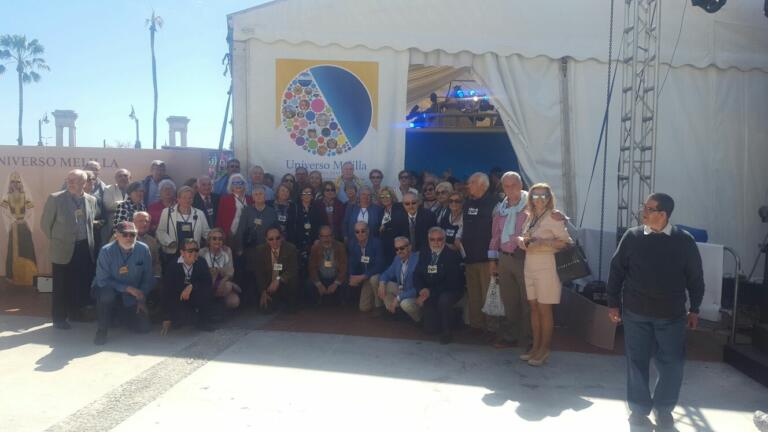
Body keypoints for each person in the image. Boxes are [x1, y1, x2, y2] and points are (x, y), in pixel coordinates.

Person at [607, 192, 704, 429]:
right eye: (645, 207)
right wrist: (612, 303)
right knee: (637, 363)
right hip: (635, 313)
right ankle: (639, 409)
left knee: (672, 364)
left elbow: (695, 277)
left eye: (649, 208)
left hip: (671, 316)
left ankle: (664, 408)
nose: (644, 212)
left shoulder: (684, 241)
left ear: (663, 214)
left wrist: (695, 308)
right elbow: (616, 270)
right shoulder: (632, 237)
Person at [516, 183, 572, 366]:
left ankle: (544, 349)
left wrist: (543, 242)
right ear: (530, 197)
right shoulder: (530, 216)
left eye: (543, 196)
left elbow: (566, 243)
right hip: (529, 263)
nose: (539, 199)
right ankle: (535, 347)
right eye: (535, 195)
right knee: (533, 307)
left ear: (549, 198)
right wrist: (521, 241)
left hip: (547, 265)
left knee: (544, 309)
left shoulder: (554, 217)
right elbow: (527, 236)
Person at [40, 169, 98, 329]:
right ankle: (59, 318)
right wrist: (60, 240)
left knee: (79, 283)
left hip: (84, 248)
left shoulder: (91, 200)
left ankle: (75, 313)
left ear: (84, 183)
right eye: (69, 179)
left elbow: (89, 223)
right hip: (62, 249)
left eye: (75, 180)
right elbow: (45, 225)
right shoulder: (55, 198)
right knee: (61, 285)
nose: (70, 182)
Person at [92, 221, 153, 345]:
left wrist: (141, 299)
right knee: (107, 296)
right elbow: (102, 280)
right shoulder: (106, 251)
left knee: (143, 328)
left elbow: (147, 278)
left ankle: (118, 316)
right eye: (125, 234)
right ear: (116, 235)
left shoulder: (143, 249)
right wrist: (127, 288)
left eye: (132, 234)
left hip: (132, 294)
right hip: (108, 289)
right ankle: (101, 331)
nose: (129, 238)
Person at [488, 172, 530, 349]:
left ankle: (529, 339)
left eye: (513, 185)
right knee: (509, 300)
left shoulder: (532, 204)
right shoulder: (500, 208)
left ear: (521, 185)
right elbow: (495, 235)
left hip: (526, 259)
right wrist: (492, 260)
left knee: (528, 301)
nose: (510, 189)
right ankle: (510, 336)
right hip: (505, 258)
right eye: (506, 186)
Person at [462, 172, 499, 334]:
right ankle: (476, 326)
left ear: (481, 185)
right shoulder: (468, 202)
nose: (467, 185)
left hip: (487, 260)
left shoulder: (495, 204)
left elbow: (497, 233)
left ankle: (492, 329)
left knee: (488, 295)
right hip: (470, 258)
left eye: (470, 182)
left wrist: (494, 258)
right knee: (474, 295)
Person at [414, 227, 464, 344]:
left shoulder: (452, 256)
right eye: (432, 240)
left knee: (444, 300)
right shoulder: (424, 253)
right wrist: (421, 289)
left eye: (439, 239)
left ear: (444, 239)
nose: (436, 243)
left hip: (450, 290)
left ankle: (447, 332)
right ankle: (454, 319)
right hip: (430, 290)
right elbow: (417, 274)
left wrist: (429, 293)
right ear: (428, 240)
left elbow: (451, 282)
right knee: (430, 330)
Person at [161, 239, 215, 334]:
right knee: (180, 321)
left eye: (196, 250)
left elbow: (207, 282)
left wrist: (191, 286)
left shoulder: (201, 262)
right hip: (178, 297)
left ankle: (203, 321)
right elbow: (166, 290)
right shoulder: (173, 265)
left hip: (195, 295)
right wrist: (166, 317)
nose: (194, 253)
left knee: (206, 291)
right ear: (182, 252)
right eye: (190, 251)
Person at [156, 186, 210, 268]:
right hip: (173, 253)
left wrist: (215, 240)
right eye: (184, 197)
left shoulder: (199, 214)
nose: (187, 200)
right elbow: (160, 231)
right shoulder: (167, 212)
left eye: (190, 198)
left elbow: (206, 232)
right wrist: (169, 242)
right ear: (178, 199)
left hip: (192, 254)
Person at [1, 171, 38, 286]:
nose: (15, 184)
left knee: (26, 247)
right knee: (13, 249)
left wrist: (24, 219)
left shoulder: (26, 195)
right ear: (9, 184)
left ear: (21, 183)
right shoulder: (6, 197)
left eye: (17, 182)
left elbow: (31, 210)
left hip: (24, 226)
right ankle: (14, 276)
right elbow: (4, 211)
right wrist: (13, 220)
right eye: (13, 182)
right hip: (14, 226)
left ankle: (29, 275)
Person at [251, 227, 299, 311]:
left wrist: (278, 280)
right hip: (268, 285)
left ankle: (288, 301)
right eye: (271, 239)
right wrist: (263, 291)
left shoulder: (291, 248)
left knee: (291, 309)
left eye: (277, 238)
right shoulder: (260, 250)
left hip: (284, 284)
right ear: (266, 240)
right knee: (265, 309)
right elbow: (259, 273)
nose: (275, 241)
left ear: (282, 237)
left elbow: (293, 269)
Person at [378, 236, 421, 322]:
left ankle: (419, 319)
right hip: (403, 289)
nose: (399, 251)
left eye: (402, 248)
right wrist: (382, 283)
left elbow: (417, 289)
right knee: (384, 285)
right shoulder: (397, 259)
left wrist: (398, 297)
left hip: (415, 294)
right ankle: (395, 311)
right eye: (397, 249)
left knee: (405, 304)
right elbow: (387, 273)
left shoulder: (417, 260)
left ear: (409, 247)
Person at [347, 222, 385, 312]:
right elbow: (352, 263)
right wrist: (352, 277)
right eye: (357, 232)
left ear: (368, 231)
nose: (360, 234)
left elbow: (380, 265)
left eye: (363, 231)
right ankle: (378, 298)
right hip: (365, 277)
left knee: (374, 279)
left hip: (377, 275)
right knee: (364, 308)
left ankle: (379, 306)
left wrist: (363, 276)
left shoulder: (376, 243)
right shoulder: (352, 244)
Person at [200, 228, 241, 310]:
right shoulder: (202, 252)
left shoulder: (227, 250)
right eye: (214, 238)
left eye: (220, 239)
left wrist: (222, 281)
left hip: (222, 282)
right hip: (206, 284)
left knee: (234, 300)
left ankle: (217, 305)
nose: (217, 241)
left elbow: (230, 272)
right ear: (209, 240)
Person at [307, 225, 348, 305]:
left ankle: (341, 303)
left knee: (346, 282)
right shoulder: (315, 248)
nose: (326, 239)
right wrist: (318, 284)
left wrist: (336, 283)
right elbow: (312, 268)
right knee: (308, 284)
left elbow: (344, 266)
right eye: (324, 236)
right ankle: (315, 303)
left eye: (329, 236)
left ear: (333, 236)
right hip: (321, 278)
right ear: (319, 237)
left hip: (335, 278)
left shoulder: (340, 247)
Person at [377, 186, 406, 265]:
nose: (385, 198)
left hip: (399, 247)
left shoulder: (399, 207)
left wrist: (385, 225)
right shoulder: (380, 211)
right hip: (385, 248)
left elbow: (399, 220)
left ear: (392, 196)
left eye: (387, 195)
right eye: (382, 196)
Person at [101, 168, 131, 238]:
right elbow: (108, 206)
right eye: (120, 176)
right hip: (113, 225)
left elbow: (137, 204)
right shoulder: (108, 188)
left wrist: (117, 204)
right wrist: (129, 202)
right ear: (116, 179)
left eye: (125, 175)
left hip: (130, 226)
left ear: (130, 177)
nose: (123, 178)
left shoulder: (134, 189)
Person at [133, 211, 161, 278]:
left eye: (147, 221)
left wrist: (157, 277)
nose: (144, 224)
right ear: (133, 222)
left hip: (147, 280)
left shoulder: (153, 241)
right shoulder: (122, 237)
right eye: (140, 221)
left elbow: (156, 263)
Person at [440, 191, 466, 257]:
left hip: (461, 258)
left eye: (457, 201)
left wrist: (444, 244)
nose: (453, 203)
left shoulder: (466, 219)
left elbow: (458, 245)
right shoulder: (444, 218)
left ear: (462, 203)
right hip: (445, 256)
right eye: (451, 201)